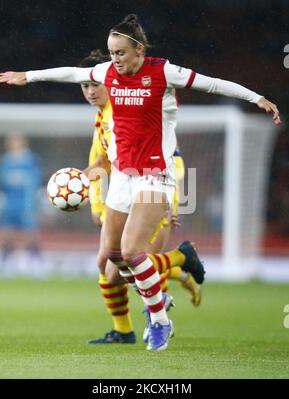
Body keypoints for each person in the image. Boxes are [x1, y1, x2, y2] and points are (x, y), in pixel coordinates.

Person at [0, 14, 280, 350]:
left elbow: (213, 83)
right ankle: (165, 284)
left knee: (131, 251)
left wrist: (256, 98)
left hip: (156, 175)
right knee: (112, 255)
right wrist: (27, 76)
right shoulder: (106, 74)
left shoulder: (163, 72)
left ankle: (159, 320)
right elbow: (71, 74)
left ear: (138, 50)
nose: (115, 59)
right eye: (111, 53)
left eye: (120, 53)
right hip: (122, 178)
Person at [79, 50, 201, 345]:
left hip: (152, 192)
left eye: (95, 84)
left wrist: (168, 203)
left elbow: (172, 159)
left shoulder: (133, 110)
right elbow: (101, 161)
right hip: (123, 195)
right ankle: (126, 327)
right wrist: (96, 202)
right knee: (109, 266)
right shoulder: (103, 118)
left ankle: (176, 266)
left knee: (122, 266)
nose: (91, 91)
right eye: (84, 86)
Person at [0, 132, 43, 278]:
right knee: (6, 235)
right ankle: (4, 265)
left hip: (27, 204)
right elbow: (1, 182)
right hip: (10, 204)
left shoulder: (31, 160)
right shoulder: (5, 161)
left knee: (31, 235)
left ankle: (37, 264)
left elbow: (36, 180)